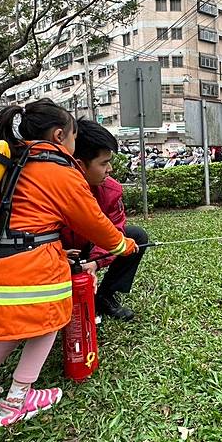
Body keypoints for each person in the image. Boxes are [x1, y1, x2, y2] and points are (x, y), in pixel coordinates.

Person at [0, 99, 138, 434]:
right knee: (47, 323)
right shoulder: (57, 169)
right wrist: (123, 245)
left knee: (14, 330)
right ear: (60, 135)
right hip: (27, 272)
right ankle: (16, 401)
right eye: (73, 137)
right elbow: (96, 223)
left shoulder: (10, 161)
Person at [61, 119, 149, 321]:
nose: (110, 169)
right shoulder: (54, 189)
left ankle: (105, 296)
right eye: (103, 163)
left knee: (135, 236)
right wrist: (58, 255)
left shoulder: (111, 190)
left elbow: (116, 230)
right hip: (58, 253)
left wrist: (94, 263)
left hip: (90, 248)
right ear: (80, 165)